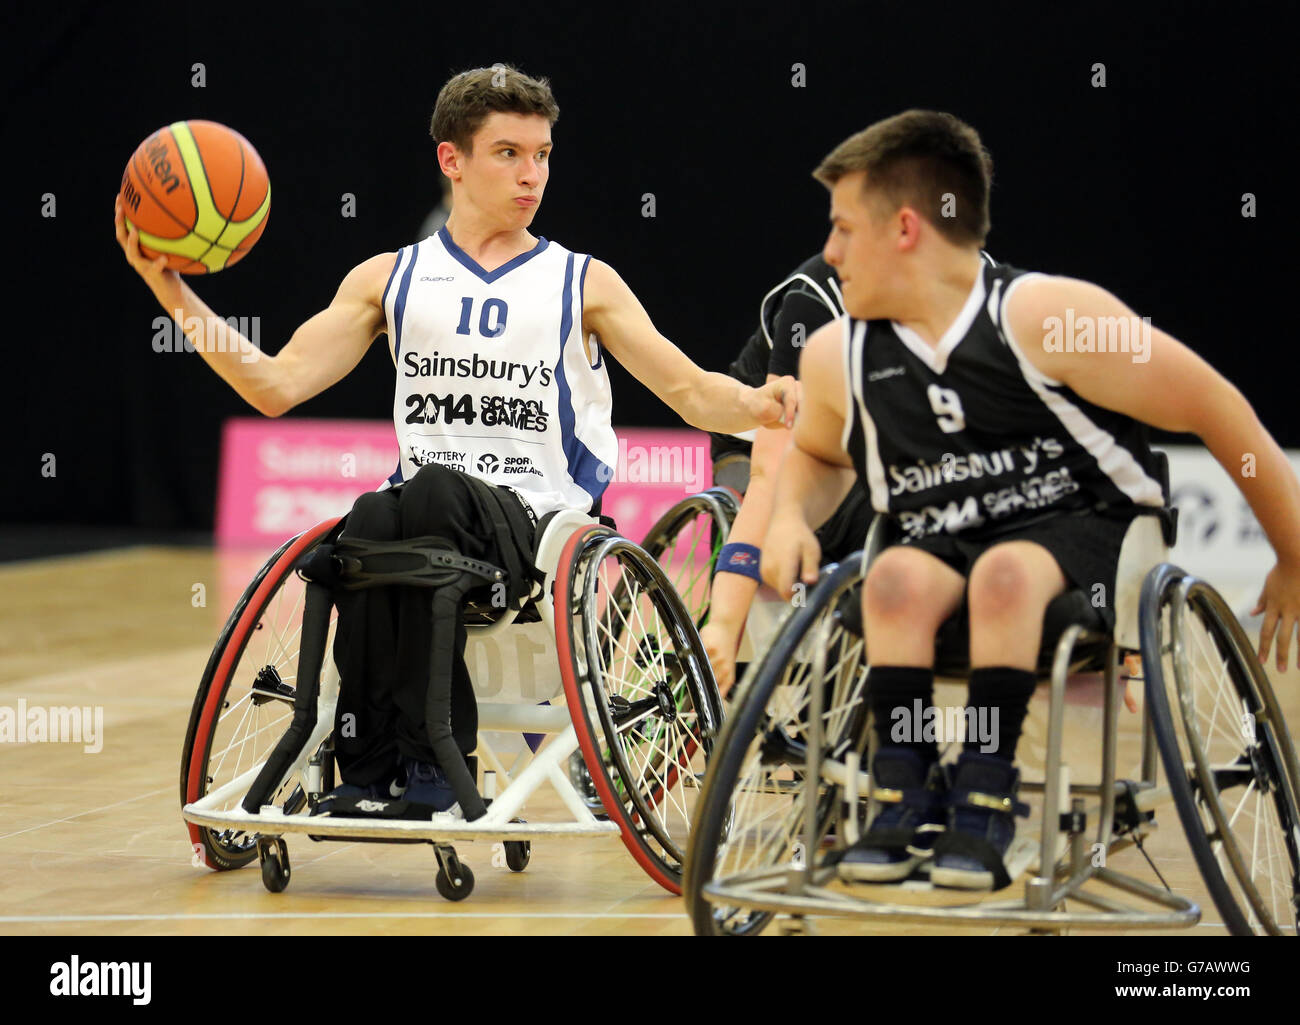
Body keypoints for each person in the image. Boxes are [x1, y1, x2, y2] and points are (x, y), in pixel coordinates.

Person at [115, 65, 796, 816]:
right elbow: (274, 386)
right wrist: (169, 289)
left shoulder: (583, 281)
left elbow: (691, 389)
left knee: (427, 492)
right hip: (426, 518)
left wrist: (759, 401)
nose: (532, 174)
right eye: (508, 153)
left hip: (541, 526)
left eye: (542, 154)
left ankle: (438, 755)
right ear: (452, 161)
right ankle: (369, 768)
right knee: (367, 522)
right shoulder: (389, 277)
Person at [763, 109, 1300, 890]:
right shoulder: (835, 354)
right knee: (891, 579)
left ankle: (985, 790)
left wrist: (1292, 550)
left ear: (906, 227)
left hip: (1090, 528)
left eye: (844, 228)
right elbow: (815, 453)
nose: (830, 251)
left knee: (1005, 574)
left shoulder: (1048, 318)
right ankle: (902, 792)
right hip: (945, 535)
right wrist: (783, 517)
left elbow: (1218, 407)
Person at [700, 254, 870, 694]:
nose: (835, 246)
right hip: (754, 436)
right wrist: (722, 623)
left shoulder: (976, 291)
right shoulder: (816, 299)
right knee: (761, 518)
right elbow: (770, 471)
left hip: (851, 443)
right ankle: (716, 676)